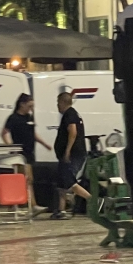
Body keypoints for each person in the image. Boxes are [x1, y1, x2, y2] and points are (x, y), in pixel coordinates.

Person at [1, 93, 50, 211]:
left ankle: (19, 204)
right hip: (19, 152)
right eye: (29, 106)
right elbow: (4, 133)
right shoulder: (13, 118)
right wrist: (11, 146)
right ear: (22, 104)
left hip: (29, 151)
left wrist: (44, 143)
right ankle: (29, 204)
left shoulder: (29, 117)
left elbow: (33, 133)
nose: (31, 109)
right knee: (24, 177)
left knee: (27, 178)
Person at [52, 90, 91, 220]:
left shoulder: (70, 114)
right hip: (70, 154)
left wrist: (67, 151)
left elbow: (72, 132)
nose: (57, 105)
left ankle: (95, 201)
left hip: (73, 154)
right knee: (61, 183)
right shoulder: (73, 114)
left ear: (63, 102)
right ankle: (61, 210)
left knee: (69, 181)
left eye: (58, 102)